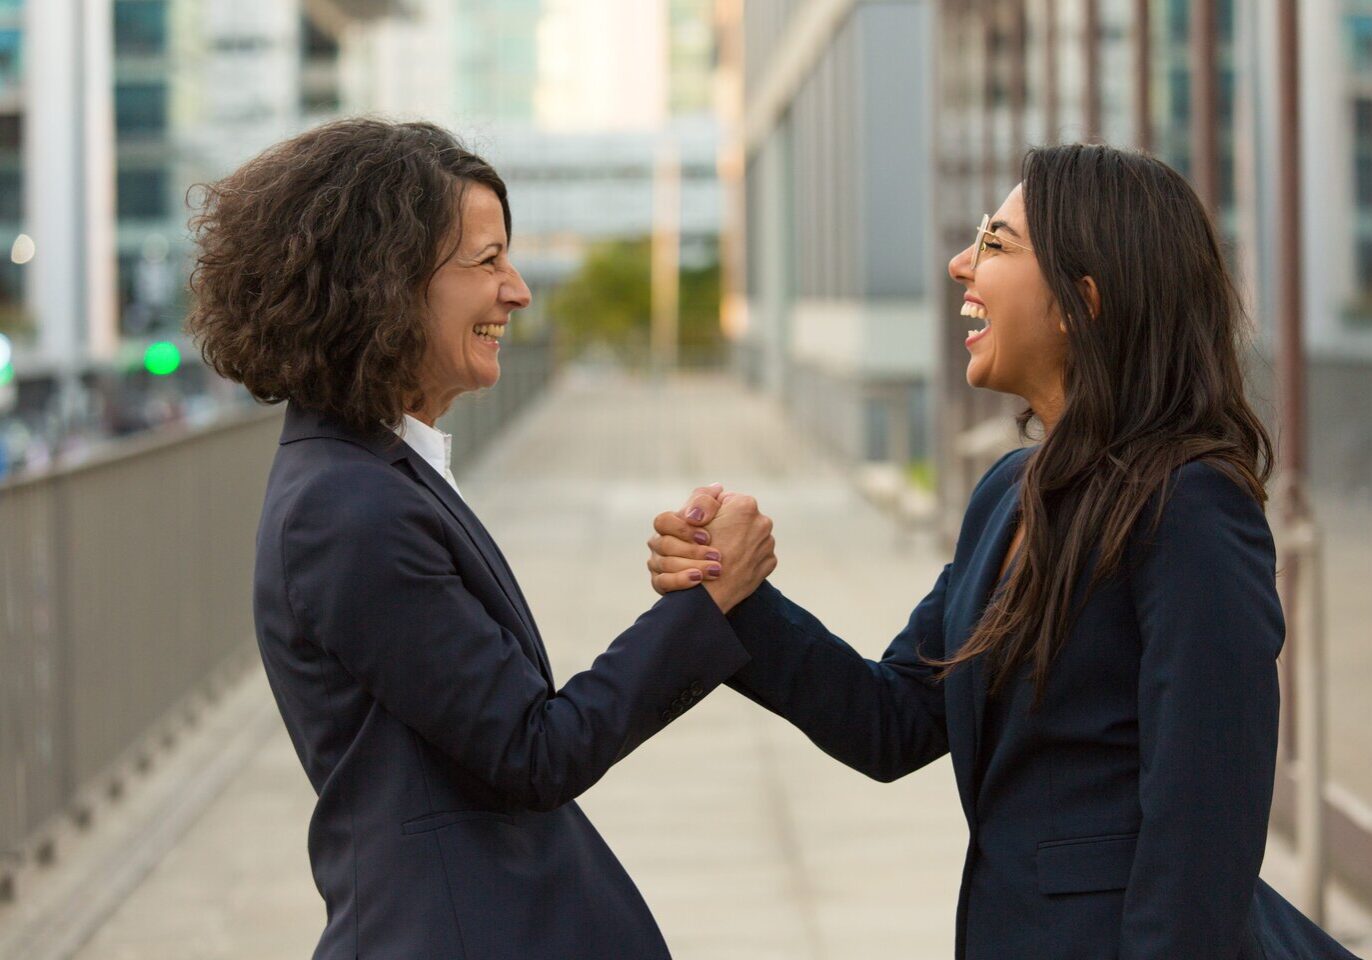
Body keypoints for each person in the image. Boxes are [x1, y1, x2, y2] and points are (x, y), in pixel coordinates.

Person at [649, 143, 1358, 959]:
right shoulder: (1006, 495)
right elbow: (891, 720)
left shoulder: (1192, 505)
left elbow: (1204, 829)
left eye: (995, 243)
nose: (960, 264)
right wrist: (736, 596)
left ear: (1079, 303)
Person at [186, 118, 775, 960]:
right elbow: (534, 748)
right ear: (385, 280)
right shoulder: (348, 510)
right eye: (487, 260)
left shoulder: (378, 471)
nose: (518, 290)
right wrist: (710, 601)